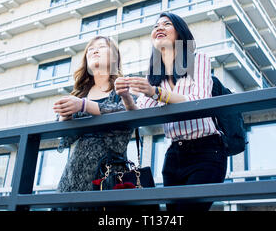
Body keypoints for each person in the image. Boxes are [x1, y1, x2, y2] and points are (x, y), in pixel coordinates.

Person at [115, 12, 227, 212]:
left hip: (207, 150)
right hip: (174, 154)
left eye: (166, 24)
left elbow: (198, 101)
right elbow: (140, 113)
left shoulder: (198, 59)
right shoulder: (155, 75)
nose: (159, 28)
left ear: (181, 33)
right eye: (155, 26)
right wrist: (125, 95)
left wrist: (156, 92)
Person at [53, 35, 134, 210]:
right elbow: (66, 138)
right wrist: (65, 115)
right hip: (75, 171)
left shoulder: (122, 87)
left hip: (109, 170)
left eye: (101, 47)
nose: (94, 50)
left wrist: (83, 105)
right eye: (90, 49)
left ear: (114, 57)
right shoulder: (79, 93)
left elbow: (127, 112)